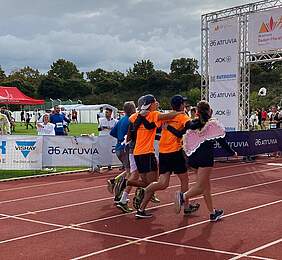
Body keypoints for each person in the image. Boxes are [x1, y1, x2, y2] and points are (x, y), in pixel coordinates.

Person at [171, 101, 237, 222]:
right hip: (205, 158)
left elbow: (180, 134)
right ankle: (183, 196)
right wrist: (232, 153)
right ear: (208, 111)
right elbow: (222, 142)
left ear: (197, 112)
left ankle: (212, 213)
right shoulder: (213, 125)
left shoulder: (192, 124)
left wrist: (169, 127)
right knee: (201, 187)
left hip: (193, 158)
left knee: (206, 187)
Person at [136, 95, 200, 218]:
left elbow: (157, 124)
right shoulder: (182, 116)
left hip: (163, 152)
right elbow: (189, 127)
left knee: (163, 183)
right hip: (175, 151)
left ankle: (142, 204)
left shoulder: (165, 116)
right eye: (184, 104)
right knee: (184, 180)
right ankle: (186, 206)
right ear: (181, 105)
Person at [107, 101, 136, 212]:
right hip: (126, 149)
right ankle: (120, 197)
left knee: (131, 170)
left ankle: (114, 181)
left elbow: (112, 133)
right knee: (131, 173)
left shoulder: (121, 120)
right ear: (132, 110)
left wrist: (120, 137)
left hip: (119, 148)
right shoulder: (131, 120)